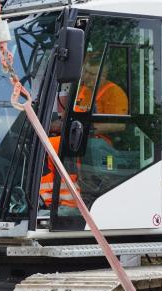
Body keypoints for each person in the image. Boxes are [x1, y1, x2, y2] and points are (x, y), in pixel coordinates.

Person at [40, 52, 128, 211]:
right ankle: (53, 197)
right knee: (47, 143)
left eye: (92, 74)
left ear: (104, 74)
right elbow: (68, 115)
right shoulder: (82, 91)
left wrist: (88, 129)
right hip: (77, 137)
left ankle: (67, 201)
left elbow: (120, 125)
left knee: (52, 146)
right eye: (86, 72)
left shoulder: (114, 92)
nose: (87, 77)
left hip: (98, 142)